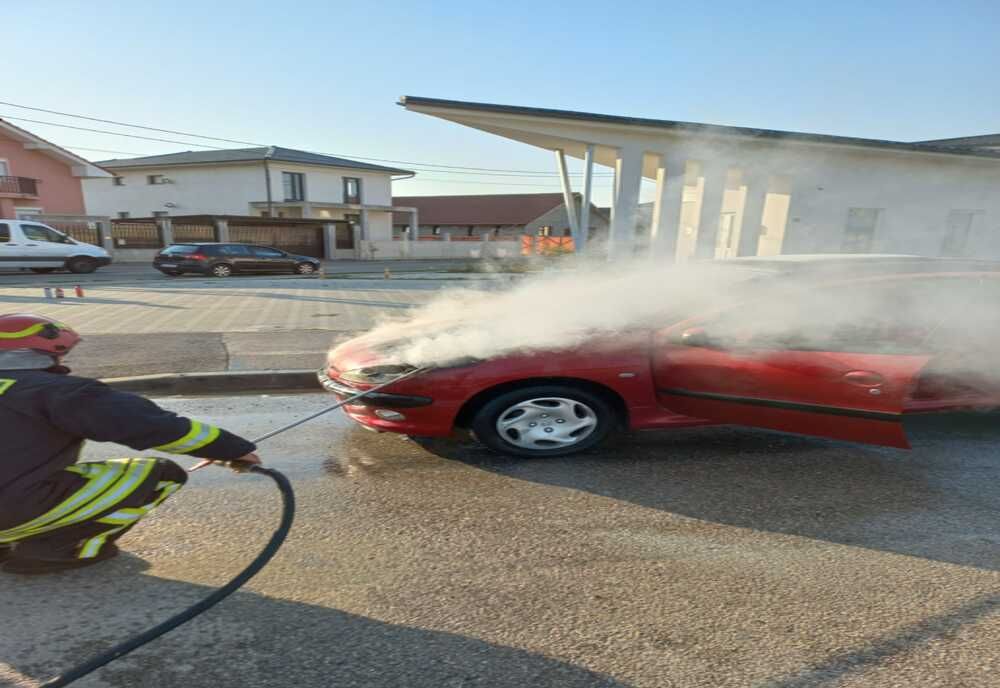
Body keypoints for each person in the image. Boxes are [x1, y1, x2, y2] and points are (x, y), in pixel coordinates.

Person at [0, 313, 261, 575]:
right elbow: (146, 424)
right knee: (160, 475)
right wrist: (230, 449)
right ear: (37, 355)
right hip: (14, 508)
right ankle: (64, 549)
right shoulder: (57, 391)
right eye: (60, 355)